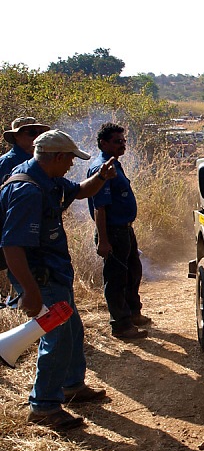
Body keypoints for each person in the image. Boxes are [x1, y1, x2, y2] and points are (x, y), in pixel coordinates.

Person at [0, 130, 117, 431]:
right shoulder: (28, 190)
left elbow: (80, 190)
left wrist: (102, 177)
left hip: (53, 272)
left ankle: (71, 386)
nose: (70, 166)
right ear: (57, 157)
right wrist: (30, 290)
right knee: (58, 336)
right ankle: (44, 406)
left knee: (72, 329)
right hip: (42, 277)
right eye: (69, 160)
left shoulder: (46, 178)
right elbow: (12, 245)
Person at [87, 123, 152, 340]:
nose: (122, 145)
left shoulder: (116, 164)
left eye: (123, 141)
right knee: (116, 278)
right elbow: (100, 207)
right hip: (112, 232)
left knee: (133, 271)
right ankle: (121, 325)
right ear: (103, 143)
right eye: (117, 141)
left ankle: (133, 313)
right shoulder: (101, 168)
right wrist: (103, 241)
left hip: (125, 230)